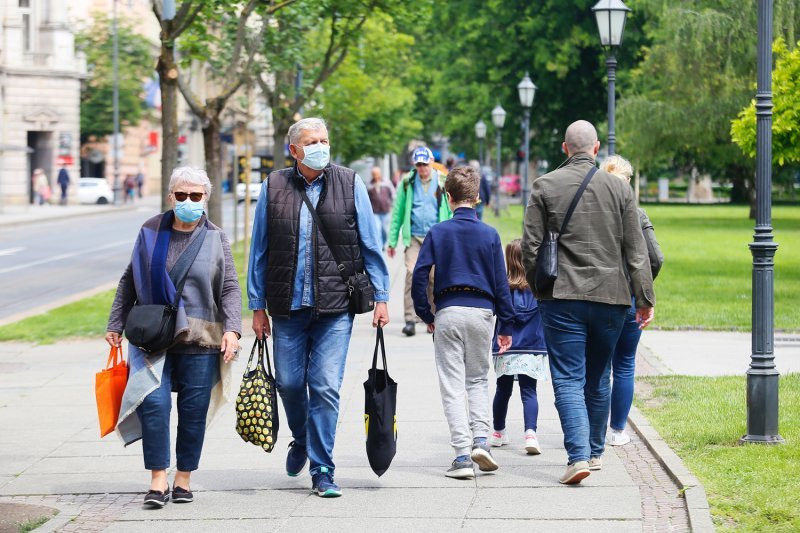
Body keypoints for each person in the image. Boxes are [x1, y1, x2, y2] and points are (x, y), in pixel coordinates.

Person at [248, 117, 390, 498]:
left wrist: (382, 296)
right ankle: (301, 438)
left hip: (335, 308)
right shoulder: (273, 185)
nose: (320, 146)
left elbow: (370, 243)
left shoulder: (350, 183)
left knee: (325, 387)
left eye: (324, 139)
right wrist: (256, 307)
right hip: (287, 307)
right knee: (290, 383)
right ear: (294, 150)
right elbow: (259, 251)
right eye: (312, 141)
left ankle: (323, 469)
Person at [520, 120, 655, 485]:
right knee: (598, 376)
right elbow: (636, 251)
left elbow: (530, 248)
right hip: (612, 299)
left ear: (565, 148)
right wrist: (643, 298)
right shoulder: (620, 189)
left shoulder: (544, 185)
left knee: (567, 378)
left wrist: (538, 290)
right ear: (596, 149)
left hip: (561, 297)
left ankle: (578, 456)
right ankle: (594, 452)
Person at [105, 166, 242, 508]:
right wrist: (115, 323)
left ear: (205, 198)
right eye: (181, 195)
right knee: (154, 405)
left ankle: (183, 479)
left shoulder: (215, 237)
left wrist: (232, 329)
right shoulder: (150, 231)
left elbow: (228, 287)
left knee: (193, 411)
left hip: (201, 338)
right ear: (171, 196)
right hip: (153, 336)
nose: (188, 201)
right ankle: (157, 480)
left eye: (196, 196)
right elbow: (129, 279)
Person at [411, 165, 514, 479]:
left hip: (449, 310)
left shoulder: (438, 232)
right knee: (478, 379)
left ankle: (461, 456)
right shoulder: (490, 234)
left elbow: (419, 276)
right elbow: (501, 281)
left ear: (448, 197)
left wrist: (426, 314)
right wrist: (506, 325)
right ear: (478, 197)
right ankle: (481, 440)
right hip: (482, 312)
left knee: (452, 385)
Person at [600, 155, 664, 447]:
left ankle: (593, 428)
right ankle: (617, 431)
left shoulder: (593, 214)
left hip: (598, 298)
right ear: (628, 184)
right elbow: (655, 258)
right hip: (627, 297)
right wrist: (643, 292)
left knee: (598, 366)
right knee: (624, 364)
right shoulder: (637, 215)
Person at [488, 238, 547, 455]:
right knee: (529, 391)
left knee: (502, 390)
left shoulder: (502, 288)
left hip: (506, 347)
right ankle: (530, 433)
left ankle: (498, 432)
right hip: (532, 347)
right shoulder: (539, 287)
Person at [387, 146, 452, 337]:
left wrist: (449, 235)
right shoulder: (407, 182)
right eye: (419, 164)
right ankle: (410, 318)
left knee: (433, 277)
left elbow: (448, 210)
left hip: (436, 236)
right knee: (411, 274)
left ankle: (431, 316)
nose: (422, 168)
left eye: (425, 164)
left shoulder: (442, 181)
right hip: (414, 237)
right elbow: (398, 212)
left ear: (432, 162)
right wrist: (392, 241)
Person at [367, 166, 394, 250]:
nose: (376, 176)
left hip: (385, 211)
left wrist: (391, 204)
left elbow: (393, 194)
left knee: (384, 230)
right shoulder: (369, 185)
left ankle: (384, 242)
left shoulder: (386, 182)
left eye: (377, 174)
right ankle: (380, 246)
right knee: (377, 229)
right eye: (374, 174)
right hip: (375, 212)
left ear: (380, 174)